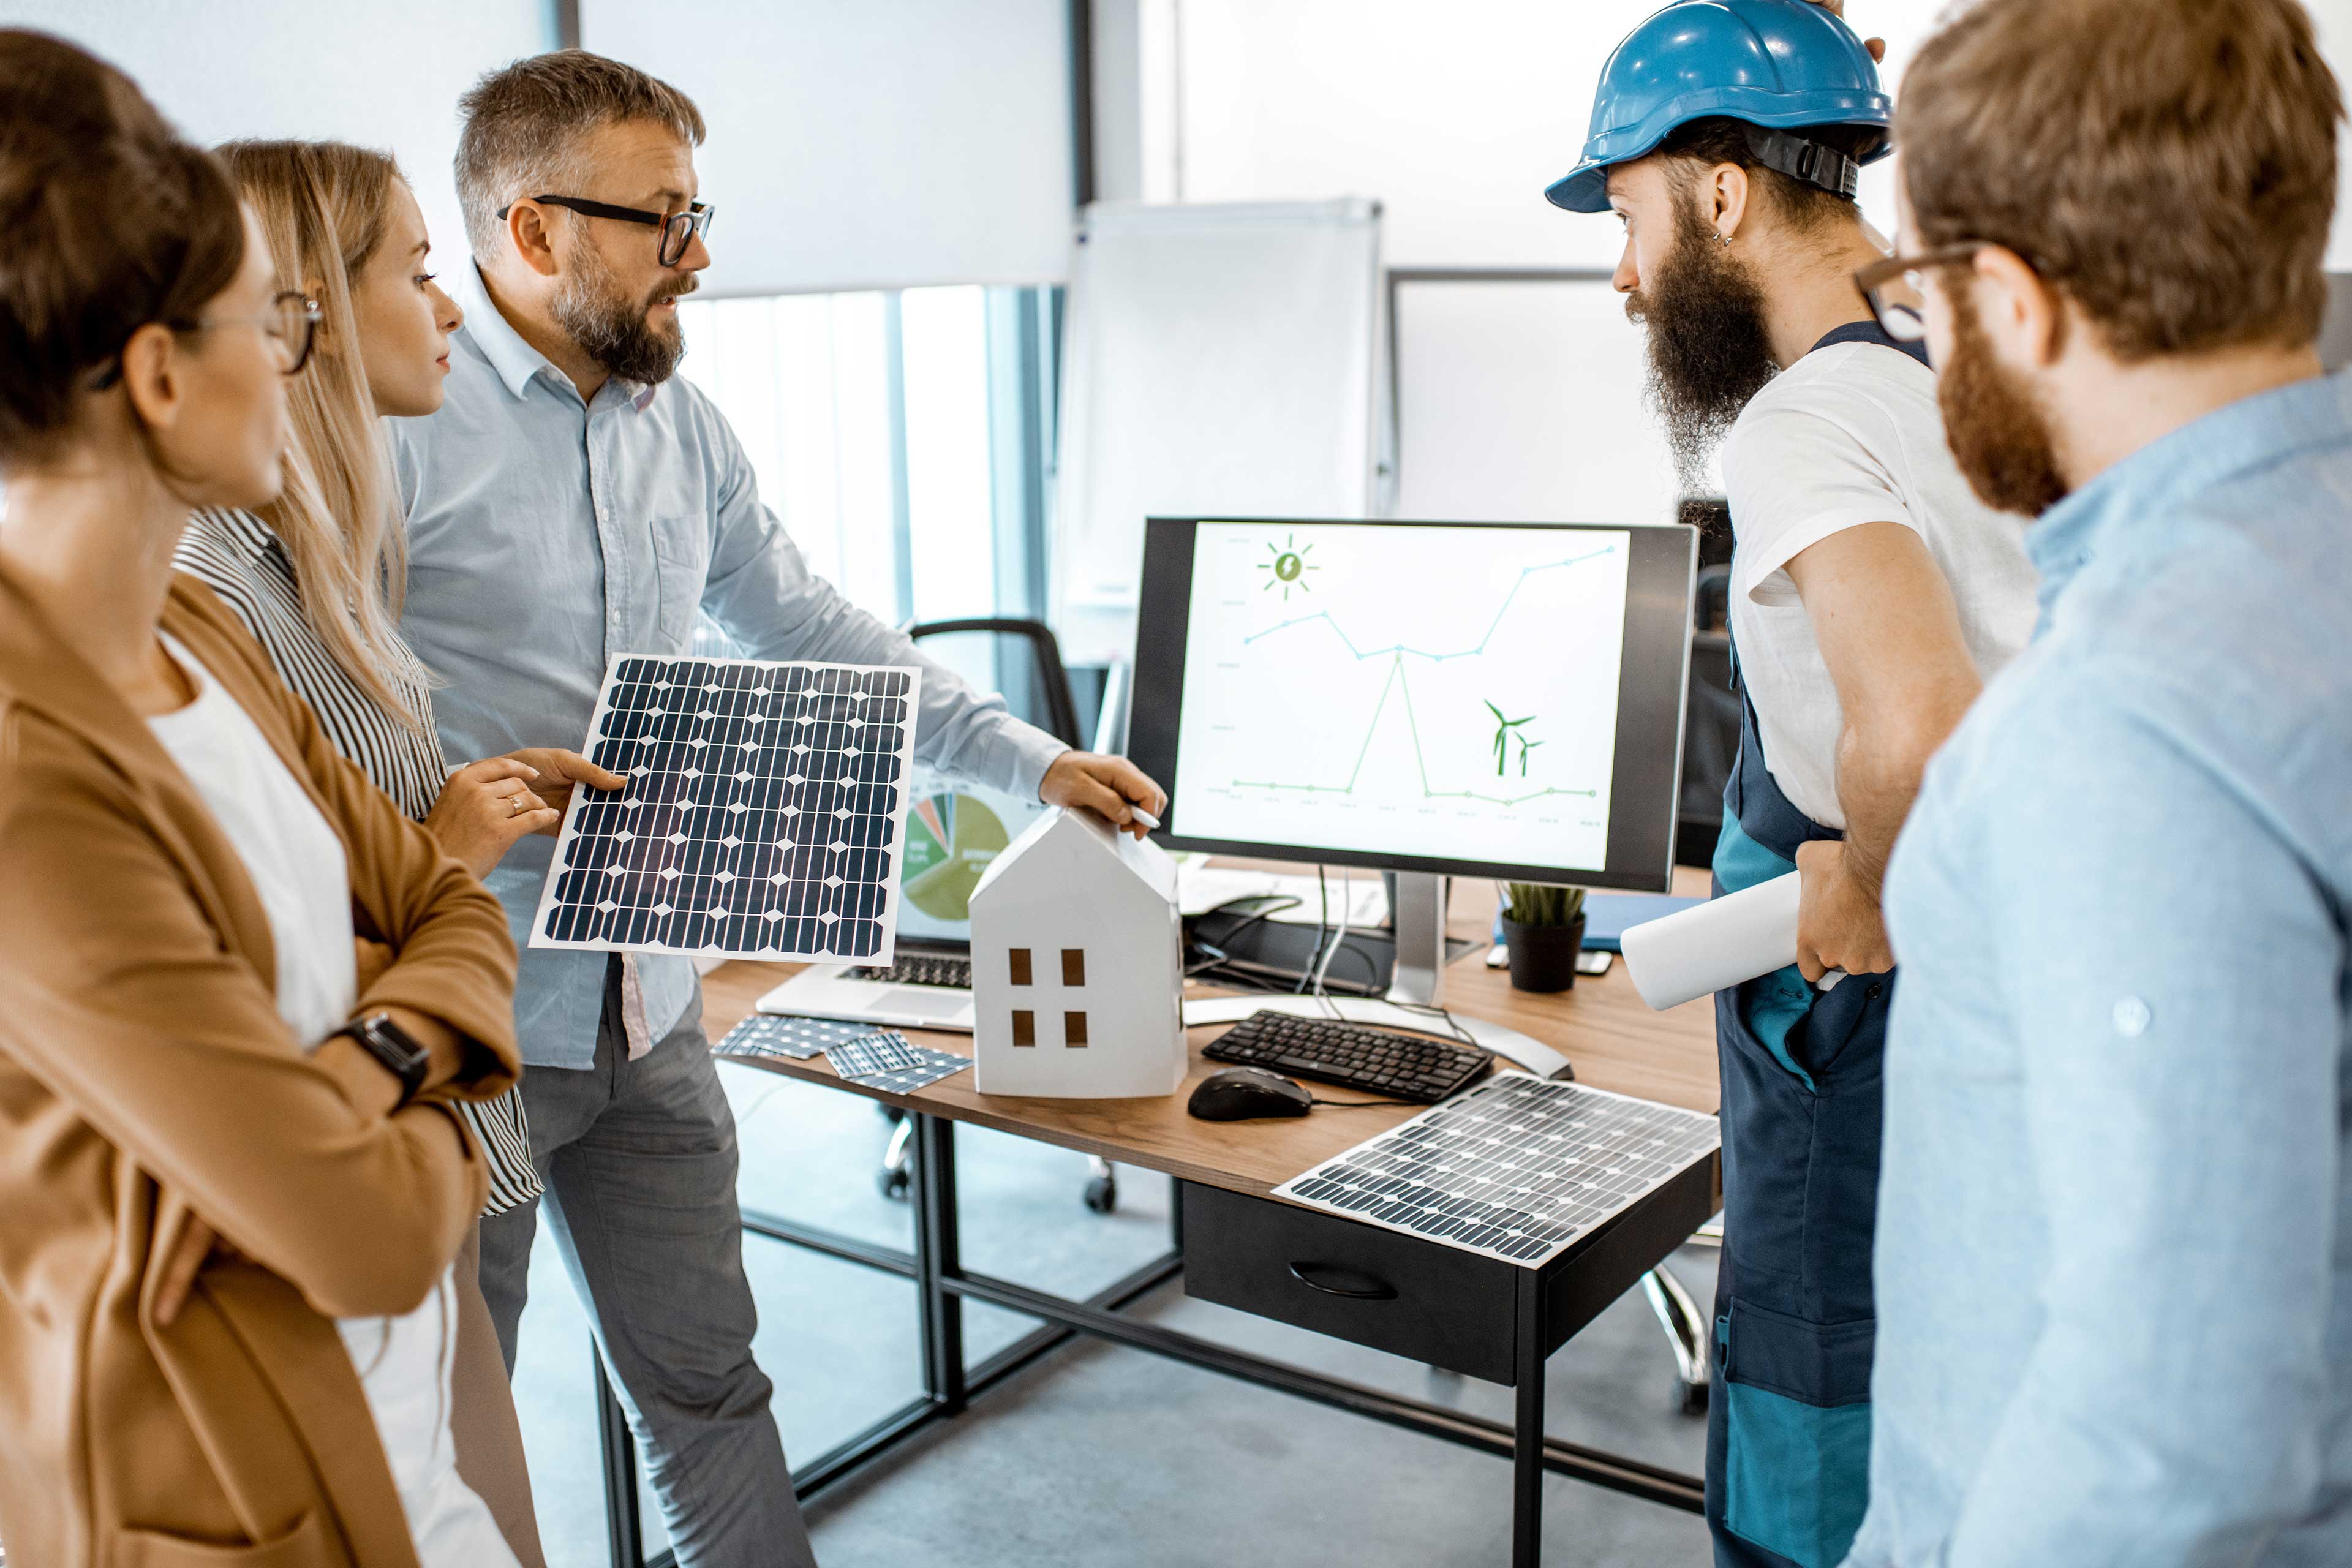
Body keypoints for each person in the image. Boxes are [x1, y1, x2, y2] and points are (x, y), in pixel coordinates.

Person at [391, 50, 1167, 1564]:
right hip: (471, 1023)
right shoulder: (393, 432)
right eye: (660, 217)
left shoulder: (684, 429)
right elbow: (305, 714)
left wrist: (1023, 755)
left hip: (651, 1008)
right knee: (449, 1441)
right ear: (532, 232)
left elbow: (813, 629)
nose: (700, 254)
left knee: (709, 1389)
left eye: (698, 210)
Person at [0, 31, 526, 1567]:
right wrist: (432, 1049)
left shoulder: (205, 639)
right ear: (161, 376)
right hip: (234, 1503)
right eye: (272, 318)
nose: (292, 360)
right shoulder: (30, 783)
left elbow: (440, 894)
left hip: (403, 1448)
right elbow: (359, 1236)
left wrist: (353, 1065)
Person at [1840, 0, 2352, 1561]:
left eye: (1922, 286)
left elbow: (2176, 1422)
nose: (1923, 336)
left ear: (2010, 296)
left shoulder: (2120, 723)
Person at [1545, 3, 2040, 1563]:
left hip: (1858, 984)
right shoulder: (1982, 340)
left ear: (1716, 194)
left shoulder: (1806, 415)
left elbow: (1921, 723)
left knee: (1821, 1356)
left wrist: (1864, 876)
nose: (1624, 279)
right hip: (2009, 951)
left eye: (1625, 215)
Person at [173, 137, 619, 1568]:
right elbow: (281, 928)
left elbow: (347, 831)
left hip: (427, 1141)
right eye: (421, 273)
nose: (451, 309)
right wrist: (447, 851)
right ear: (297, 310)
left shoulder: (307, 550)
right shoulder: (206, 585)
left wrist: (456, 798)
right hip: (367, 1164)